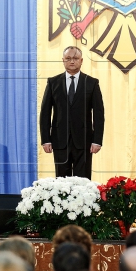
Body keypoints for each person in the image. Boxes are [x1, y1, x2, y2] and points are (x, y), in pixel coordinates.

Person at [40, 46, 105, 179]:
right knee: (61, 181)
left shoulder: (91, 83)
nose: (72, 61)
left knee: (83, 180)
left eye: (75, 58)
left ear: (81, 61)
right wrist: (46, 139)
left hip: (84, 141)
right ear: (63, 60)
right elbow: (45, 113)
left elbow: (99, 115)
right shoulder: (53, 82)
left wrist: (97, 140)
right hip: (59, 140)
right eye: (68, 58)